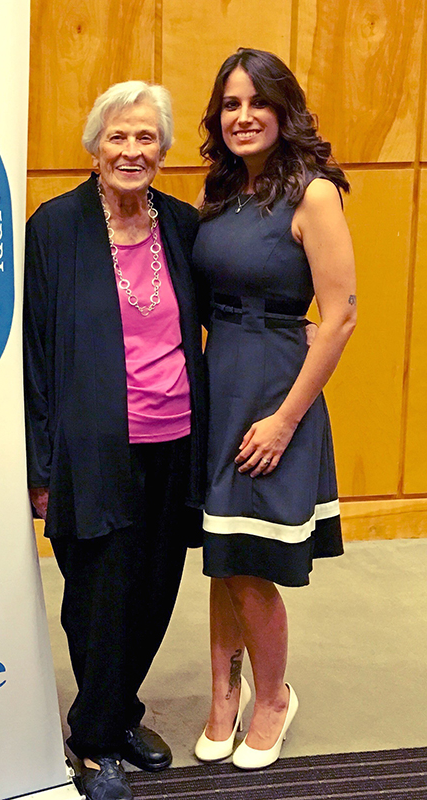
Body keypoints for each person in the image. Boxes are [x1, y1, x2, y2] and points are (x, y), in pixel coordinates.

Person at [23, 81, 206, 800]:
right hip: (92, 447)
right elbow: (36, 352)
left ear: (162, 150)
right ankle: (95, 744)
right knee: (98, 595)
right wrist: (39, 465)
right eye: (118, 137)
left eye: (146, 138)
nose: (132, 151)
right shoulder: (57, 226)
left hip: (174, 439)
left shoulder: (184, 226)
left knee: (156, 588)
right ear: (95, 147)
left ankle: (119, 714)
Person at [191, 48, 356, 770]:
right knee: (223, 554)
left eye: (257, 101)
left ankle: (273, 698)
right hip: (216, 384)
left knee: (251, 562)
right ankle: (223, 694)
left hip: (272, 396)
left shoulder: (313, 194)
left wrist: (286, 419)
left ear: (284, 111)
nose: (243, 115)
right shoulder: (222, 193)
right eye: (230, 103)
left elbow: (342, 314)